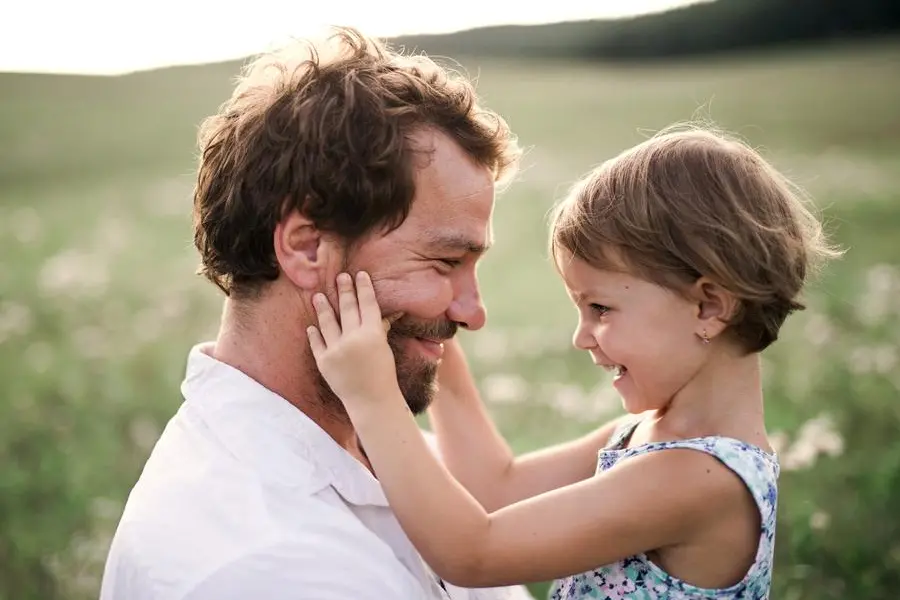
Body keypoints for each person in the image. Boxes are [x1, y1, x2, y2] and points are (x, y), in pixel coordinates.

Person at [306, 126, 842, 599]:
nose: (581, 337)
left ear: (708, 306)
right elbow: (495, 487)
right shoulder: (644, 434)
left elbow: (474, 553)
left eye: (601, 308)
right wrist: (435, 325)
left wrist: (373, 396)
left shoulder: (699, 479)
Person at [98, 26, 532, 600]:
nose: (473, 315)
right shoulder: (266, 565)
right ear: (306, 248)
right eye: (445, 260)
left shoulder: (387, 447)